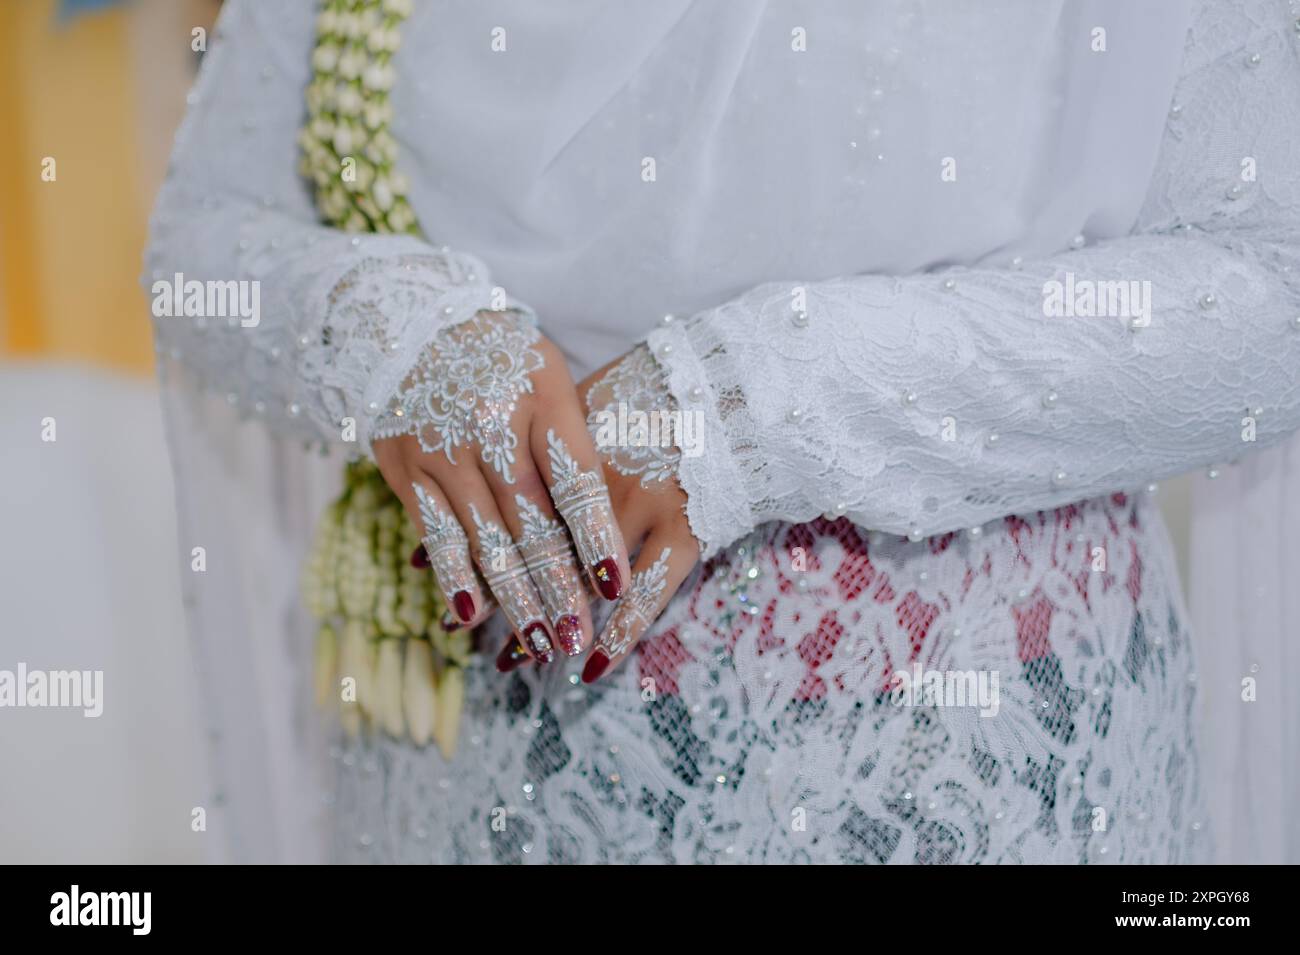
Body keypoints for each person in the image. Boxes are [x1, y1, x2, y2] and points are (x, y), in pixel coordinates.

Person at [146, 0, 1300, 863]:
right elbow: (207, 227)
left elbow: (1268, 288)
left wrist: (763, 399)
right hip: (471, 766)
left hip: (960, 779)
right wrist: (394, 334)